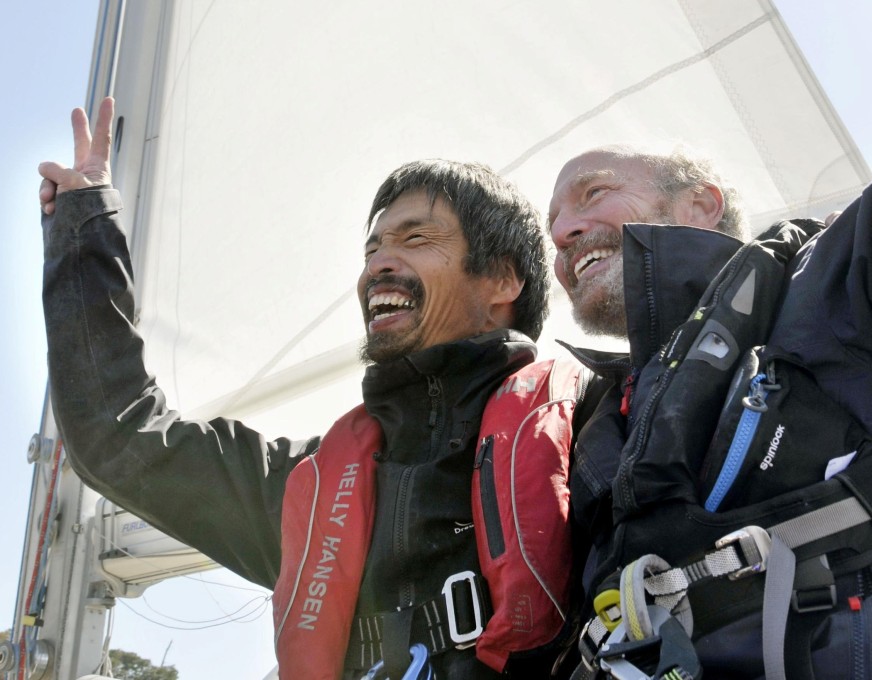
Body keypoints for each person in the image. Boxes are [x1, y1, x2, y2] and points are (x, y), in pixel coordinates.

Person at [38, 98, 591, 679]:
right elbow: (119, 432)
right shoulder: (309, 487)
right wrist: (85, 232)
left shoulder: (594, 431)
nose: (379, 264)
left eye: (415, 238)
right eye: (372, 248)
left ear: (503, 278)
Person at [547, 0, 872, 677]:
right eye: (554, 224)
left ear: (700, 205)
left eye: (592, 193)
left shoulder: (845, 277)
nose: (564, 232)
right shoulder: (581, 425)